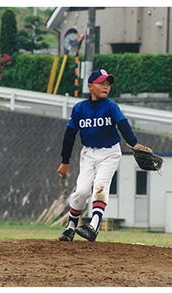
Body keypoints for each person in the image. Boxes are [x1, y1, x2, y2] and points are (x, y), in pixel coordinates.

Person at [57, 69, 145, 242]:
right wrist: (65, 161)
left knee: (100, 187)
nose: (106, 87)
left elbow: (122, 124)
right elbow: (69, 135)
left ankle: (93, 227)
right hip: (88, 153)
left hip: (110, 152)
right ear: (90, 86)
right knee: (81, 191)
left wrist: (134, 144)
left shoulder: (110, 106)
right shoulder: (79, 109)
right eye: (101, 83)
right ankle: (70, 227)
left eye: (108, 84)